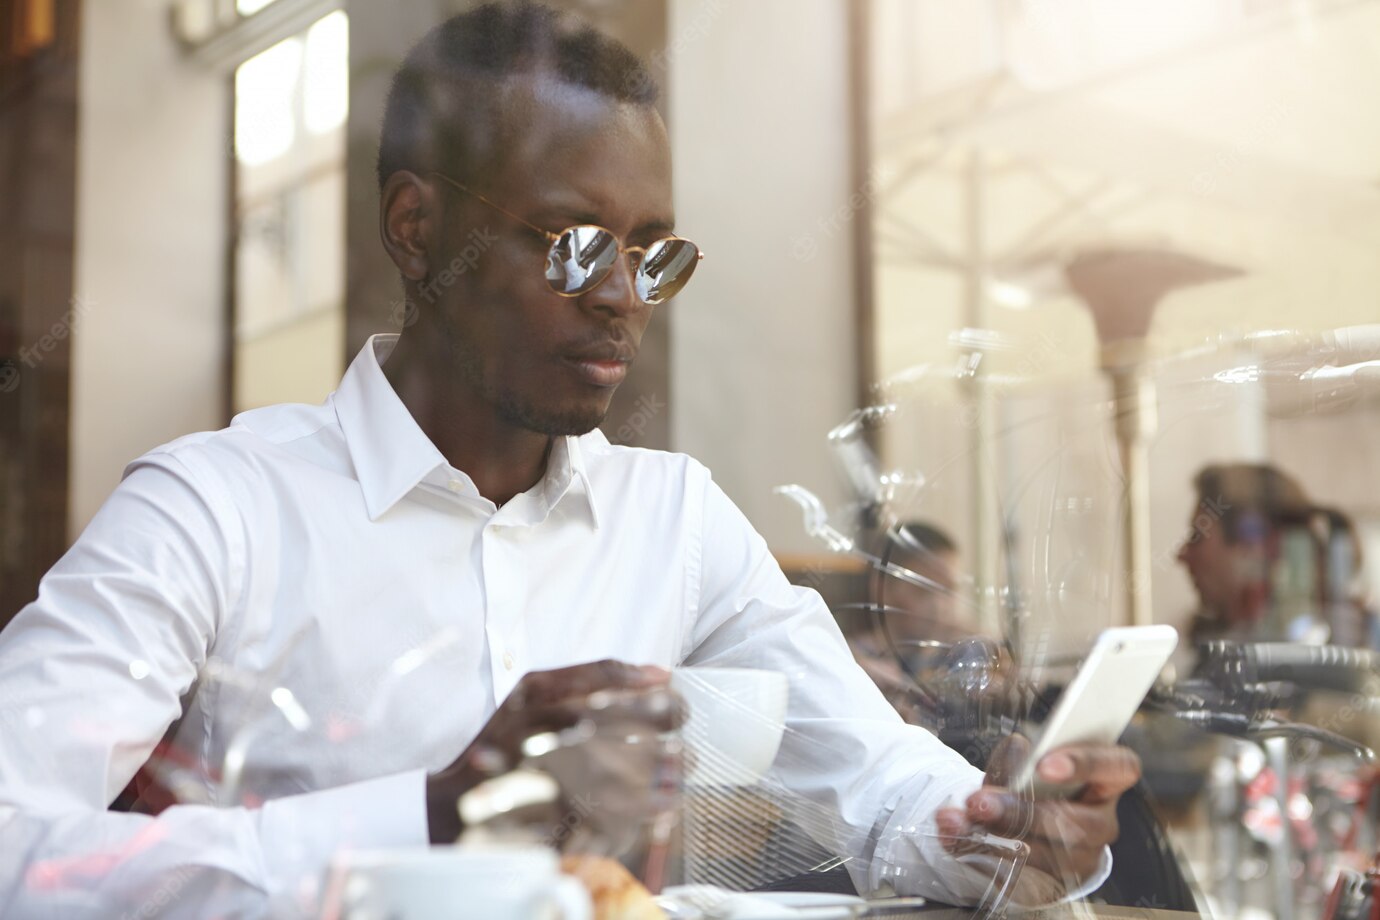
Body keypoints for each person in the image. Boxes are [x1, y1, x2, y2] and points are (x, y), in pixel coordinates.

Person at [0, 4, 1139, 916]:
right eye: (575, 241)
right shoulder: (218, 508)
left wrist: (999, 828)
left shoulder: (673, 518)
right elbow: (12, 846)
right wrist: (434, 816)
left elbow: (882, 784)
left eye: (652, 253)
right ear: (416, 227)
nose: (618, 298)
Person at [1177, 462, 1374, 648]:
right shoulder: (1216, 648)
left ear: (1251, 547)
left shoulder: (1324, 650)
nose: (1182, 556)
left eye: (1197, 537)